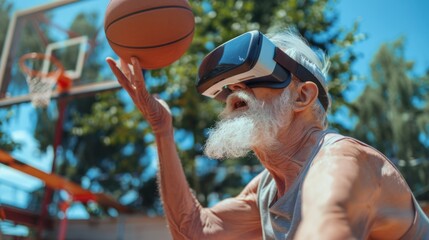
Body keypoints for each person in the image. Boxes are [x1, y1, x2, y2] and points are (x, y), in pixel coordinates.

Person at [106, 29, 429, 239]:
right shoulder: (267, 187)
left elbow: (327, 223)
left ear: (303, 97)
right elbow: (194, 231)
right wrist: (162, 129)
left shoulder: (340, 162)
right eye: (230, 86)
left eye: (256, 78)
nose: (236, 92)